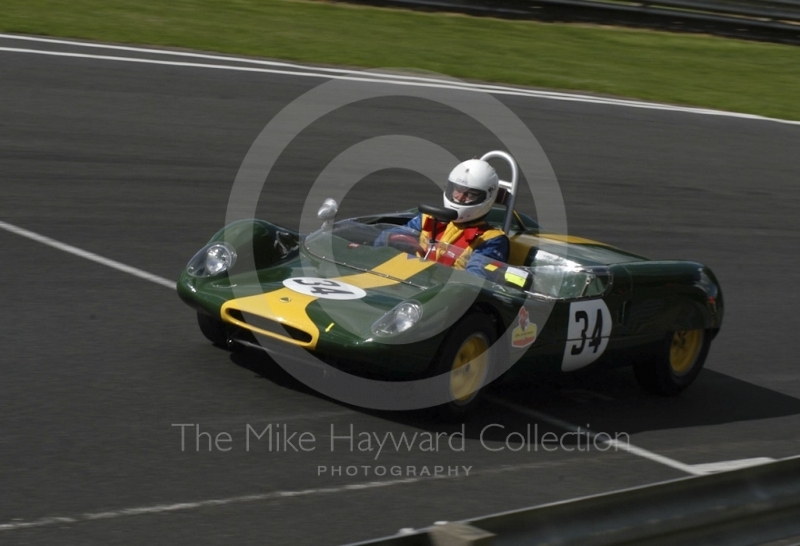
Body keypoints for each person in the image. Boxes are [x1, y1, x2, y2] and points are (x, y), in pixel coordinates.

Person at [379, 158, 509, 279]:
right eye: (457, 189)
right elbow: (388, 238)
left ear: (487, 198)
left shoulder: (492, 239)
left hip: (450, 293)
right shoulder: (427, 218)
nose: (460, 197)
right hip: (412, 279)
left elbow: (475, 278)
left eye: (470, 194)